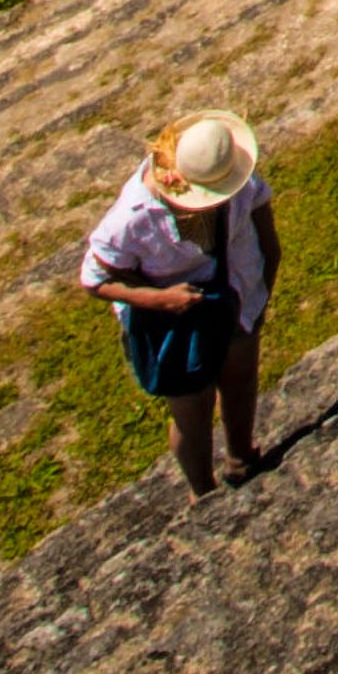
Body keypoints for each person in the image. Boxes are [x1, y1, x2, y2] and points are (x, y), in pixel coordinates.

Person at [79, 109, 280, 493]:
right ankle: (202, 490)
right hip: (176, 323)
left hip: (238, 294)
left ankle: (241, 457)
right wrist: (159, 299)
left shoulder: (231, 171)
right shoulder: (133, 217)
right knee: (193, 410)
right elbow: (94, 279)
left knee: (240, 381)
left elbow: (266, 235)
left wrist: (259, 296)